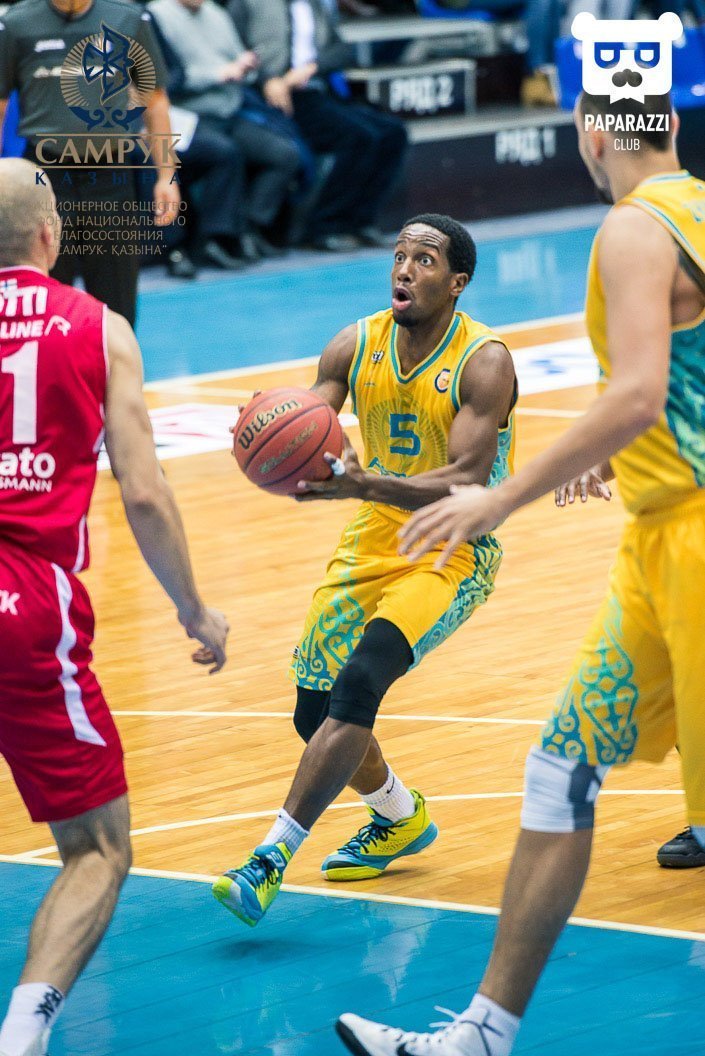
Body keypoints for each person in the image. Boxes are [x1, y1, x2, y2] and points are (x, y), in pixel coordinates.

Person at [335, 91, 705, 1056]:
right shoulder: (695, 208)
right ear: (669, 124)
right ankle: (480, 1037)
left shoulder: (633, 226)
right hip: (663, 539)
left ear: (592, 132)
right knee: (558, 771)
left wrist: (498, 497)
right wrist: (628, 454)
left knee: (561, 775)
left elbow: (638, 390)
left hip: (691, 543)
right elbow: (672, 390)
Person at [212, 213, 517, 927]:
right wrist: (264, 431)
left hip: (452, 548)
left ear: (457, 282)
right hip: (373, 535)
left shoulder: (484, 362)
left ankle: (269, 858)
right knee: (312, 711)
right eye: (399, 255)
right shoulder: (354, 343)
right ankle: (400, 816)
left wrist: (363, 483)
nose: (404, 269)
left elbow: (466, 481)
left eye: (424, 260)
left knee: (358, 684)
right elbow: (309, 424)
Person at [0, 158, 229, 1056]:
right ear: (50, 237)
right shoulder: (100, 328)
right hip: (26, 606)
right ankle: (21, 1036)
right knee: (98, 848)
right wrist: (193, 609)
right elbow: (143, 493)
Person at [0, 0, 180, 327]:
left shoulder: (127, 19)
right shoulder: (16, 24)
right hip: (45, 177)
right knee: (45, 298)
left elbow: (155, 102)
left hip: (111, 175)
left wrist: (166, 175)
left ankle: (117, 362)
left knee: (117, 302)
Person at [235, 0, 409, 251]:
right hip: (271, 99)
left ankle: (360, 221)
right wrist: (267, 79)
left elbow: (341, 50)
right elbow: (235, 47)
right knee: (358, 137)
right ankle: (325, 226)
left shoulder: (317, 5)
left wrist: (312, 68)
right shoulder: (250, 3)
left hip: (315, 91)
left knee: (393, 132)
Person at [149, 0, 304, 267]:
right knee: (225, 153)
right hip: (187, 114)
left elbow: (238, 56)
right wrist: (218, 74)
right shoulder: (156, 15)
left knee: (284, 154)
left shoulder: (216, 13)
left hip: (230, 111)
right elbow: (169, 78)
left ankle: (248, 227)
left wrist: (245, 66)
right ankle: (214, 239)